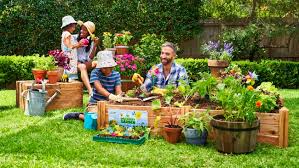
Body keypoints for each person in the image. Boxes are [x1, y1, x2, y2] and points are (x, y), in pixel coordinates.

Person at [63, 51, 123, 120]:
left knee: (114, 118)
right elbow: (99, 89)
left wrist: (118, 96)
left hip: (109, 103)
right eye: (103, 67)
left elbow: (118, 90)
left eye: (107, 67)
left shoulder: (116, 74)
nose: (105, 69)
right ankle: (78, 115)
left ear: (111, 66)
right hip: (95, 102)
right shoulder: (95, 72)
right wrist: (111, 96)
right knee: (95, 119)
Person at [73, 21, 100, 96]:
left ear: (88, 33)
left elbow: (90, 58)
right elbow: (69, 48)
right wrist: (78, 45)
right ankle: (90, 90)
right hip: (75, 62)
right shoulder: (74, 38)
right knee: (82, 66)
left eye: (85, 30)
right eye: (81, 29)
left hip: (85, 61)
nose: (82, 31)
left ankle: (99, 87)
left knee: (99, 63)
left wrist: (95, 45)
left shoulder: (90, 42)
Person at [60, 15, 84, 81]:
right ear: (68, 26)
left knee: (68, 73)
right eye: (73, 26)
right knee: (70, 75)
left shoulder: (65, 34)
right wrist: (79, 45)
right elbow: (69, 46)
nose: (74, 28)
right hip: (69, 58)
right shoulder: (67, 34)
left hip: (69, 57)